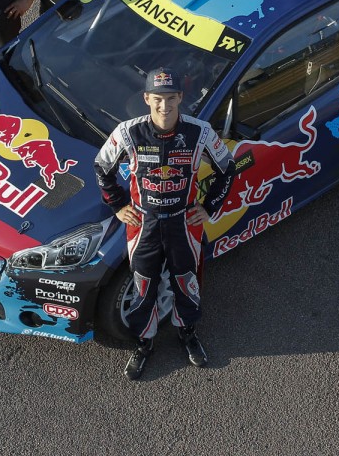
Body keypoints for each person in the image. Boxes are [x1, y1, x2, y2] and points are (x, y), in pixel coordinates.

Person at [94, 67, 236, 381]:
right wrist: (118, 205)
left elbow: (228, 168)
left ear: (180, 98)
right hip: (143, 223)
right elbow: (102, 167)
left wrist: (208, 206)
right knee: (144, 284)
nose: (164, 105)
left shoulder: (200, 132)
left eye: (170, 98)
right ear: (146, 98)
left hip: (184, 222)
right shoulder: (128, 132)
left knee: (186, 281)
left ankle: (188, 333)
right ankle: (144, 343)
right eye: (157, 98)